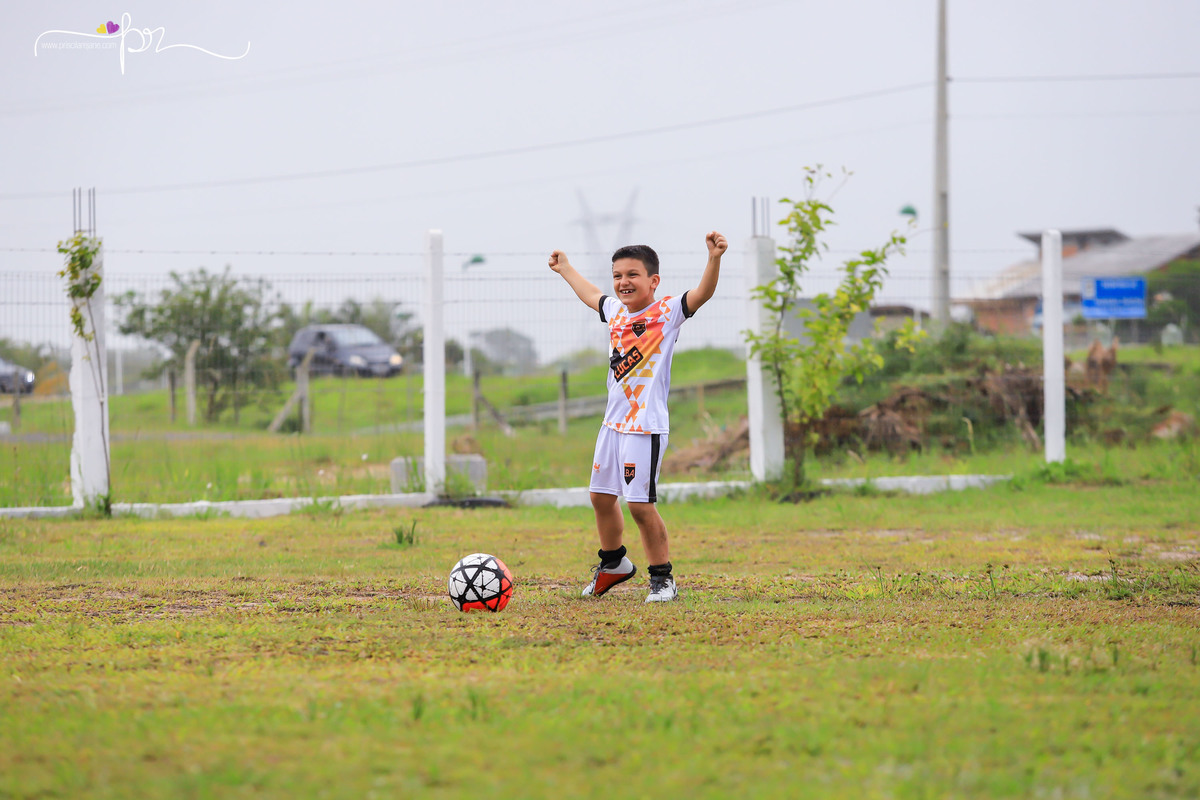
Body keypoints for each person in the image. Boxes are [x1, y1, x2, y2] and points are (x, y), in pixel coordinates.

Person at [548, 232, 727, 602]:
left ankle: (663, 579)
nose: (623, 283)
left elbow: (702, 294)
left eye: (632, 275)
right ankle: (613, 564)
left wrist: (714, 259)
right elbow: (591, 295)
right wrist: (565, 269)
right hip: (612, 425)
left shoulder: (666, 313)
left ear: (653, 281)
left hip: (644, 428)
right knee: (600, 497)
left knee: (640, 506)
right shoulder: (614, 312)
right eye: (617, 276)